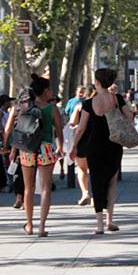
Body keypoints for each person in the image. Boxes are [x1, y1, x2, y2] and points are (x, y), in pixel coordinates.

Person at [69, 68, 129, 234]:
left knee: (96, 181)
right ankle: (110, 220)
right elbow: (130, 117)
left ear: (97, 82)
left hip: (94, 145)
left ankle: (100, 224)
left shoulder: (89, 103)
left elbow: (81, 129)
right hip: (114, 144)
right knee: (111, 181)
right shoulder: (117, 99)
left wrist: (74, 145)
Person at [5, 75, 64, 237]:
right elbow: (59, 131)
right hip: (45, 149)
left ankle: (29, 224)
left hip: (27, 150)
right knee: (45, 189)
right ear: (45, 91)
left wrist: (11, 149)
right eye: (50, 89)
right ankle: (42, 227)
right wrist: (59, 148)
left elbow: (14, 128)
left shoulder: (24, 107)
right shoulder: (52, 109)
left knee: (28, 188)